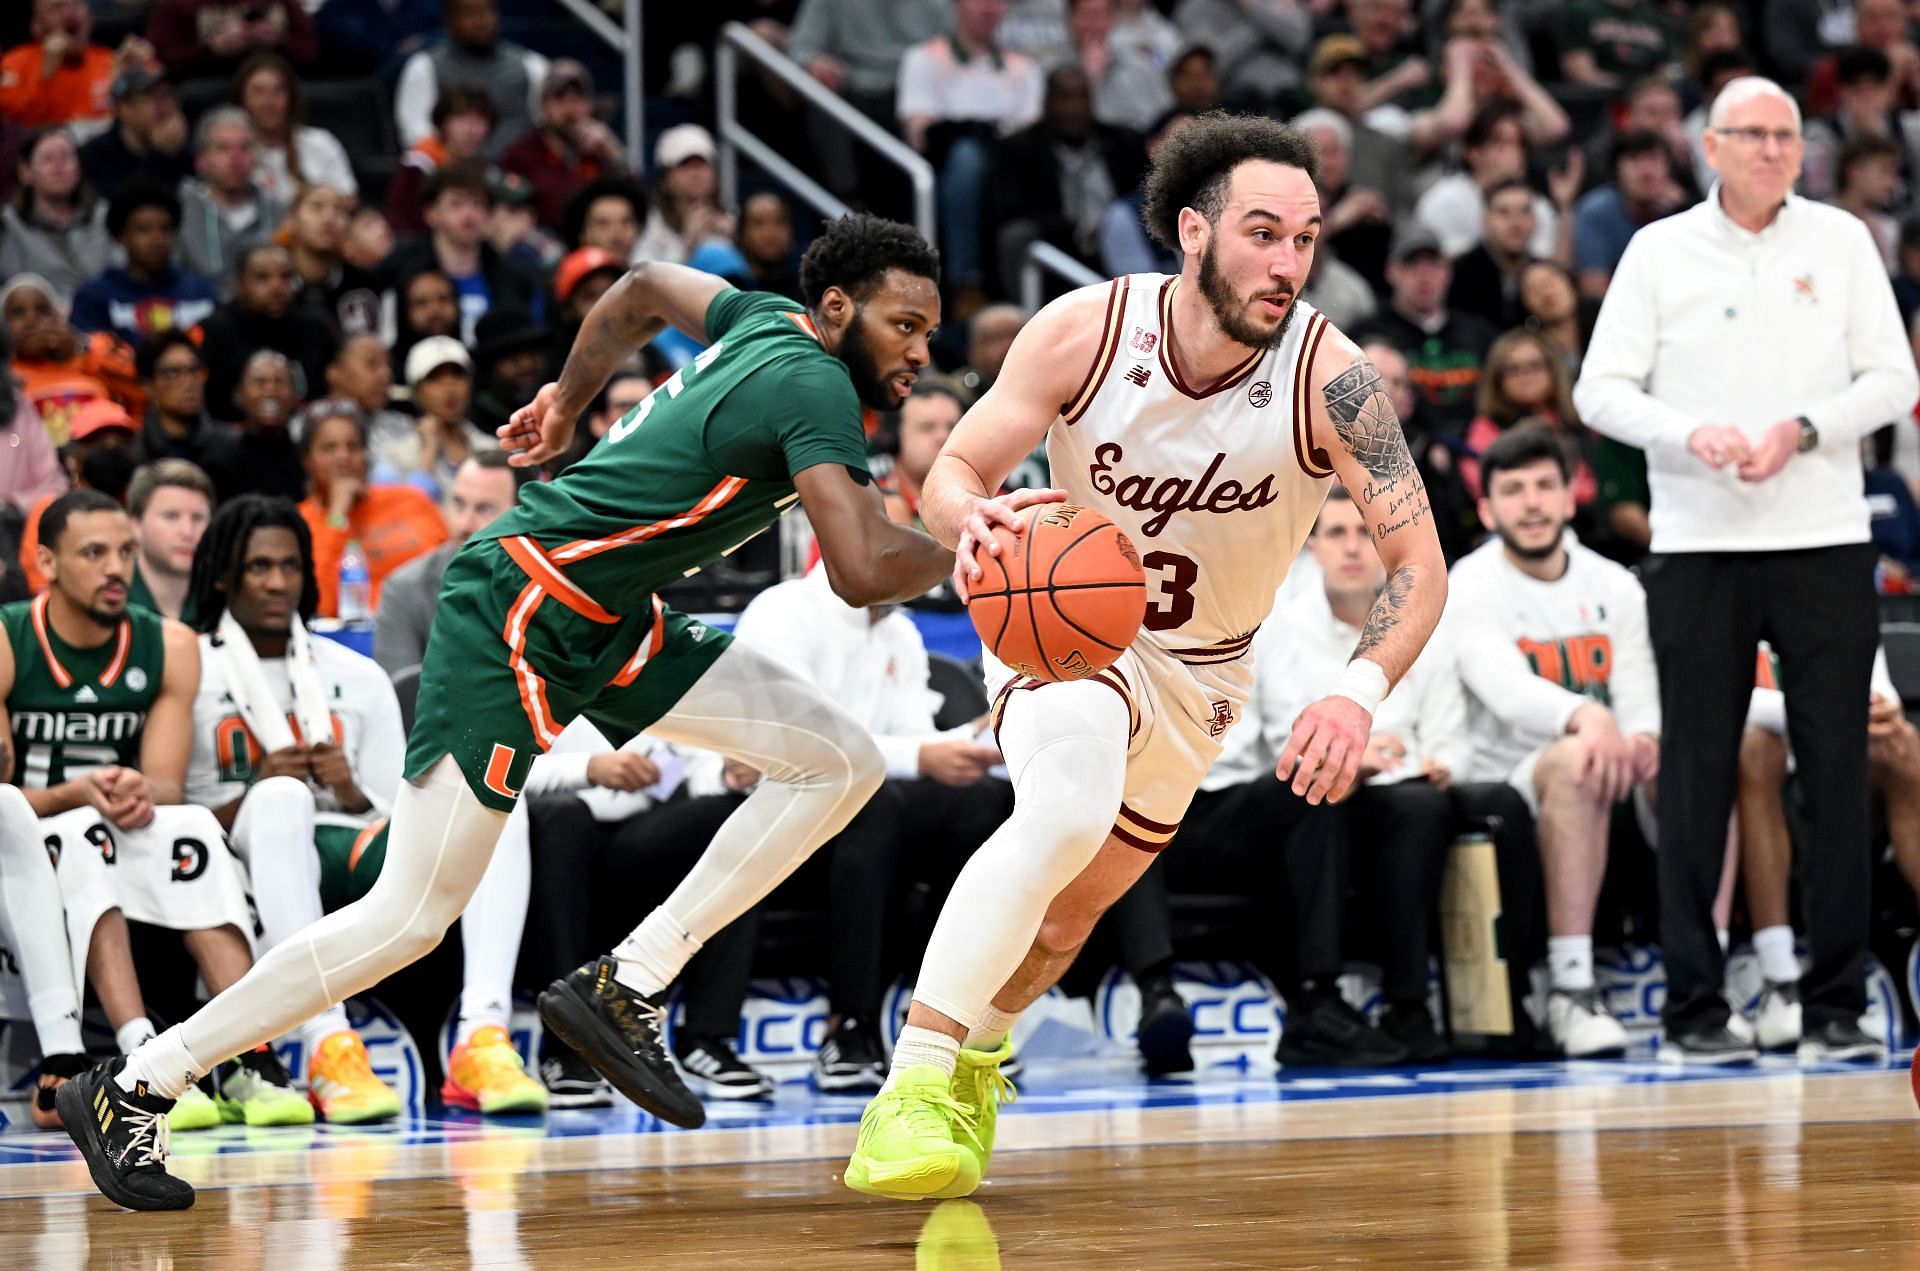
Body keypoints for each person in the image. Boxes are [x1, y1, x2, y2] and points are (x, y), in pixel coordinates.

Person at [60, 213, 967, 1213]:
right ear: (836, 309)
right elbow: (858, 567)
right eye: (903, 323)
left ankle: (630, 979)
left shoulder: (760, 320)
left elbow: (641, 288)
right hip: (519, 604)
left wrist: (566, 401)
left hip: (602, 613)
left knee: (840, 761)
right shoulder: (814, 382)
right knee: (409, 914)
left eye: (929, 329)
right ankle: (137, 1081)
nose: (922, 350)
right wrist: (977, 548)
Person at [843, 114, 1448, 1201]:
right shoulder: (1085, 330)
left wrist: (1357, 693)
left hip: (1208, 673)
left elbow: (1418, 557)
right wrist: (969, 518)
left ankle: (979, 1056)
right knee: (1064, 807)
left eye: (1305, 239)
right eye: (1263, 233)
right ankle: (912, 1082)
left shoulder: (1332, 374)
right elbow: (955, 465)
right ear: (1192, 232)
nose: (1287, 262)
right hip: (1066, 627)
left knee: (1069, 916)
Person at [1573, 77, 1918, 1066]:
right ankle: (1692, 1007)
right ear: (1709, 147)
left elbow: (1896, 378)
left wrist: (1805, 428)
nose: (1773, 151)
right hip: (1698, 544)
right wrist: (1691, 433)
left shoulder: (1844, 240)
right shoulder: (1657, 250)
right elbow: (1599, 389)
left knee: (1841, 771)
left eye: (1787, 135)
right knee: (1695, 775)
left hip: (1822, 536)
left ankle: (1841, 1001)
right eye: (1752, 135)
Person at [1, 490, 310, 1135]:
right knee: (79, 831)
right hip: (29, 829)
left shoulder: (168, 642)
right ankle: (145, 1058)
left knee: (195, 823)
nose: (116, 568)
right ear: (48, 563)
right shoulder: (7, 637)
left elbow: (167, 785)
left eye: (125, 552)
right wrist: (76, 793)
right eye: (94, 553)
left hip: (116, 823)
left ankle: (246, 1053)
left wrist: (137, 793)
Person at [179, 495, 408, 1122]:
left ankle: (484, 1034)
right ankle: (326, 1043)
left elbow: (396, 810)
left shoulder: (357, 675)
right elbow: (168, 807)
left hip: (344, 845)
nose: (277, 582)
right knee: (280, 798)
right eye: (258, 567)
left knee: (490, 809)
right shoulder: (187, 667)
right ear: (223, 575)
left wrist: (352, 787)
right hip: (223, 856)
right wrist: (254, 787)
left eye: (290, 566)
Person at [1448, 426, 1659, 1059]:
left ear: (1573, 497)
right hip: (1506, 781)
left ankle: (1718, 972)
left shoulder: (1615, 583)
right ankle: (1572, 988)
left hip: (1610, 764)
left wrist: (1644, 737)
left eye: (1545, 486)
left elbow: (1640, 693)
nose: (1532, 504)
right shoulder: (1468, 582)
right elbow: (1508, 692)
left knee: (1689, 758)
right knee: (1573, 760)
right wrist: (1588, 719)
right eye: (1513, 491)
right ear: (1487, 509)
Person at [1737, 644, 1915, 1055]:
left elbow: (1878, 696)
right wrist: (1828, 711)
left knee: (1901, 746)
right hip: (1753, 783)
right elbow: (1712, 696)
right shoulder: (1725, 588)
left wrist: (1875, 713)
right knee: (1757, 748)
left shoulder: (1833, 585)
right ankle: (1779, 981)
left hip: (1841, 773)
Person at [293, 399, 449, 618]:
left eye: (353, 446)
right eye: (329, 448)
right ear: (307, 460)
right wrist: (337, 516)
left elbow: (452, 570)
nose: (343, 456)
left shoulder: (412, 501)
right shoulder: (297, 522)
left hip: (432, 624)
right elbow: (321, 605)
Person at [373, 451, 522, 673]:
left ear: (524, 514)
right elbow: (401, 696)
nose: (464, 524)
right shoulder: (405, 590)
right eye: (459, 504)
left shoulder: (554, 586)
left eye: (485, 509)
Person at [394, 0, 550, 165]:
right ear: (449, 20)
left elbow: (549, 132)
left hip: (521, 178)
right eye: (469, 13)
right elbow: (416, 135)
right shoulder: (424, 67)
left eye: (487, 12)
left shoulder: (532, 66)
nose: (480, 21)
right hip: (449, 178)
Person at [195, 244, 336, 423]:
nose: (277, 287)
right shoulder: (213, 331)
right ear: (239, 284)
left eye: (285, 276)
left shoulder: (316, 327)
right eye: (262, 277)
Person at [69, 184, 219, 352]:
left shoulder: (201, 291)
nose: (157, 239)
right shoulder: (94, 296)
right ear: (121, 236)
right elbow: (87, 358)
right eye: (143, 230)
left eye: (165, 229)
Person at [1, 274, 143, 445]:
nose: (31, 320)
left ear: (58, 319)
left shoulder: (90, 356)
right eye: (18, 313)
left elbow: (143, 389)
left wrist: (81, 351)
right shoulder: (6, 380)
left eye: (42, 310)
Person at [498, 59, 624, 232]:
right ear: (543, 106)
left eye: (578, 98)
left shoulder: (601, 150)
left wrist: (613, 153)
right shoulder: (522, 156)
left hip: (597, 248)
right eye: (560, 99)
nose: (570, 109)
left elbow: (633, 206)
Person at [175, 107, 290, 294]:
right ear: (201, 160)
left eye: (245, 148)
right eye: (223, 148)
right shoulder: (182, 208)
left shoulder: (279, 212)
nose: (235, 158)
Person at [0, 127, 114, 305]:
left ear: (78, 167)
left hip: (102, 319)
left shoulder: (106, 217)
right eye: (47, 159)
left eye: (66, 157)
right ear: (25, 172)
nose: (58, 165)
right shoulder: (7, 225)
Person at [232, 51, 356, 204]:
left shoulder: (320, 142)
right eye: (259, 92)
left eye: (278, 91)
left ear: (291, 98)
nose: (269, 102)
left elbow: (349, 200)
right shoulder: (233, 152)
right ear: (242, 99)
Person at [383, 335, 495, 499]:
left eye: (457, 374)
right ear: (416, 392)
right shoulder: (396, 459)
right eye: (435, 377)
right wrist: (428, 455)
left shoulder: (493, 450)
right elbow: (403, 516)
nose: (449, 387)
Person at [0, 0, 136, 128]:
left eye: (76, 3)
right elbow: (15, 128)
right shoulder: (13, 64)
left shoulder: (112, 61)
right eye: (57, 7)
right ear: (37, 25)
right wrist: (45, 77)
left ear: (90, 17)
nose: (70, 14)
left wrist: (134, 72)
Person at [197, 349, 306, 503]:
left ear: (295, 395)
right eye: (260, 382)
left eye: (279, 381)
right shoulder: (218, 461)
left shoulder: (307, 459)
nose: (271, 390)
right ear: (239, 395)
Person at [388, 85, 498, 237]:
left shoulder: (486, 170)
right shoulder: (419, 165)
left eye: (480, 120)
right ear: (443, 123)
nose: (472, 130)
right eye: (462, 118)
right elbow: (402, 222)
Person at [76, 64, 193, 202]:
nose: (167, 108)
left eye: (169, 96)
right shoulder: (96, 153)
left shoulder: (179, 146)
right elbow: (120, 207)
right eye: (156, 99)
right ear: (123, 109)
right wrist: (159, 156)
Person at [283, 187, 382, 341]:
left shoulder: (365, 284)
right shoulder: (273, 283)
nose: (329, 217)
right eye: (317, 207)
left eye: (338, 209)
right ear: (292, 220)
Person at [126, 460, 213, 622]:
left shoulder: (226, 600)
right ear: (136, 525)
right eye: (170, 516)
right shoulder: (114, 597)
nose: (187, 532)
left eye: (198, 518)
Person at [146, 0, 318, 79]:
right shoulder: (179, 6)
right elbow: (160, 58)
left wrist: (277, 42)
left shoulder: (282, 4)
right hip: (205, 86)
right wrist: (213, 48)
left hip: (273, 86)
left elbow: (312, 53)